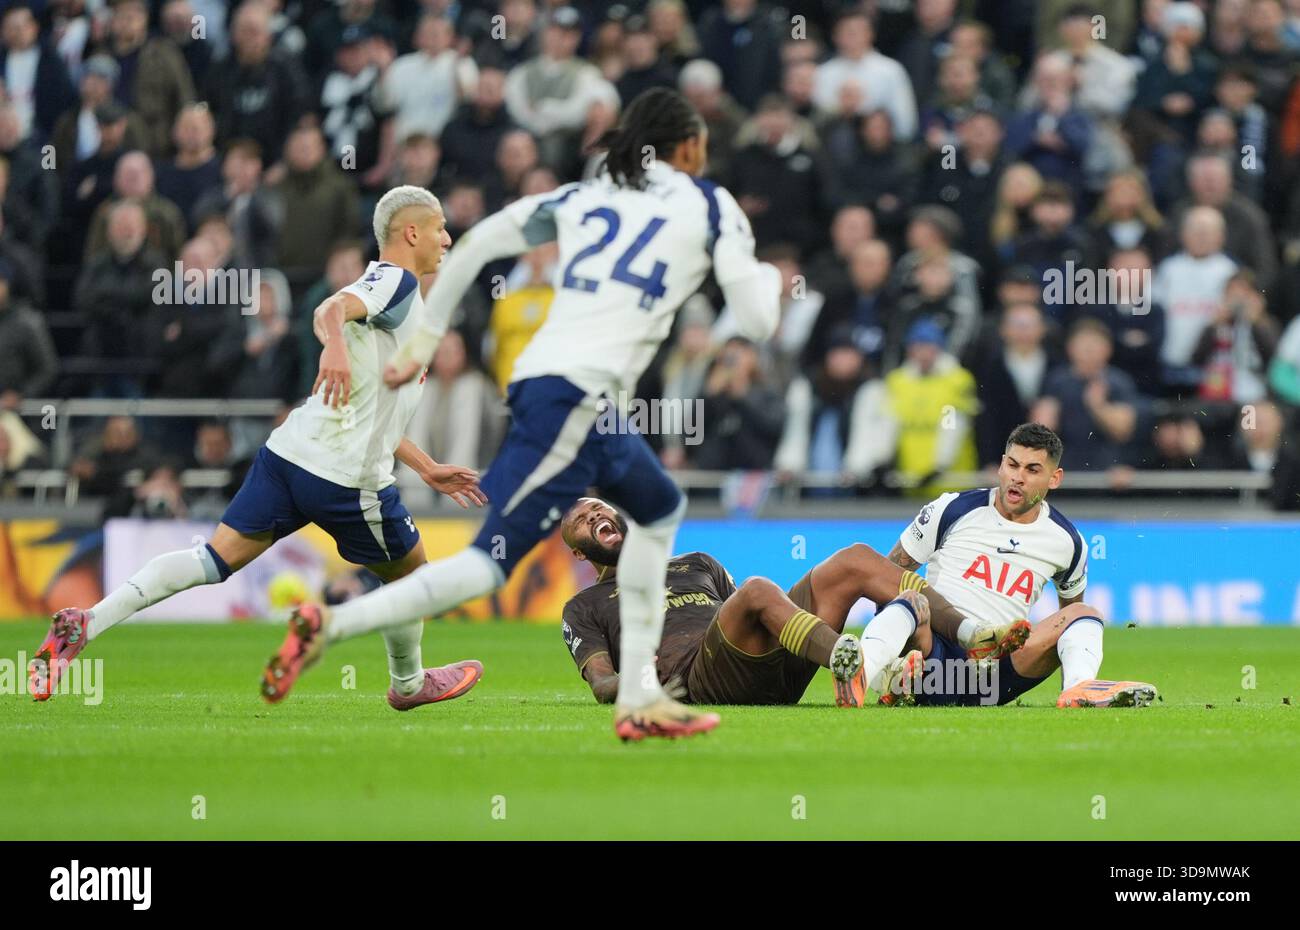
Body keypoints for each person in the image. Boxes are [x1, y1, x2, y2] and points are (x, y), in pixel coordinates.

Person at [268, 88, 783, 742]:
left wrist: (426, 341)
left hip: (569, 393)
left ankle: (642, 698)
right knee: (488, 562)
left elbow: (480, 240)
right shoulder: (711, 204)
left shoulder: (583, 195)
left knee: (658, 508)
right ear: (689, 148)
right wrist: (764, 278)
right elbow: (761, 321)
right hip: (574, 395)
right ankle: (331, 625)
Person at [30, 186, 488, 708]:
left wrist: (425, 466)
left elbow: (367, 407)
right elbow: (330, 308)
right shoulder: (396, 281)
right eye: (439, 228)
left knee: (213, 559)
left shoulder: (392, 295)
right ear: (411, 233)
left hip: (289, 457)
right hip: (344, 478)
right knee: (412, 576)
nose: (447, 238)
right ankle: (407, 684)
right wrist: (333, 346)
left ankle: (88, 622)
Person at [558, 497, 1024, 708]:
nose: (594, 513)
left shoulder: (696, 562)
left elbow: (743, 614)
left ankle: (969, 633)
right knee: (759, 590)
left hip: (769, 665)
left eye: (599, 507)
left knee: (855, 560)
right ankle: (855, 662)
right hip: (697, 680)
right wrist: (634, 679)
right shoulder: (584, 606)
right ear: (579, 551)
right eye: (581, 519)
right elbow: (601, 684)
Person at [858, 422, 1158, 707]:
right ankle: (864, 677)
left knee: (1084, 613)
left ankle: (1079, 689)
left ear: (1055, 478)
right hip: (932, 659)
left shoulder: (1068, 541)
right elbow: (886, 578)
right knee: (910, 598)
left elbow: (1067, 619)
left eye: (1032, 470)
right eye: (1012, 465)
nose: (1018, 477)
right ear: (1001, 465)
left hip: (995, 678)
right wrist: (896, 649)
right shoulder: (951, 509)